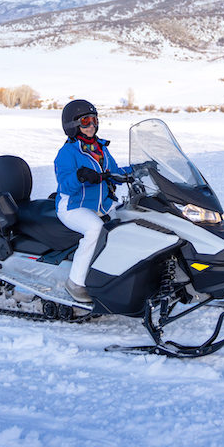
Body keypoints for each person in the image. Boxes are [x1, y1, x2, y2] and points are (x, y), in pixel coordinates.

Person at [54, 99, 131, 303]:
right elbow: (65, 186)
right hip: (73, 207)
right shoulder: (68, 153)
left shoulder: (100, 148)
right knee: (95, 229)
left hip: (102, 205)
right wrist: (80, 176)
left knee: (130, 220)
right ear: (73, 125)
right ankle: (75, 283)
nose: (91, 125)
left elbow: (114, 173)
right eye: (85, 121)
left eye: (94, 120)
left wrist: (140, 170)